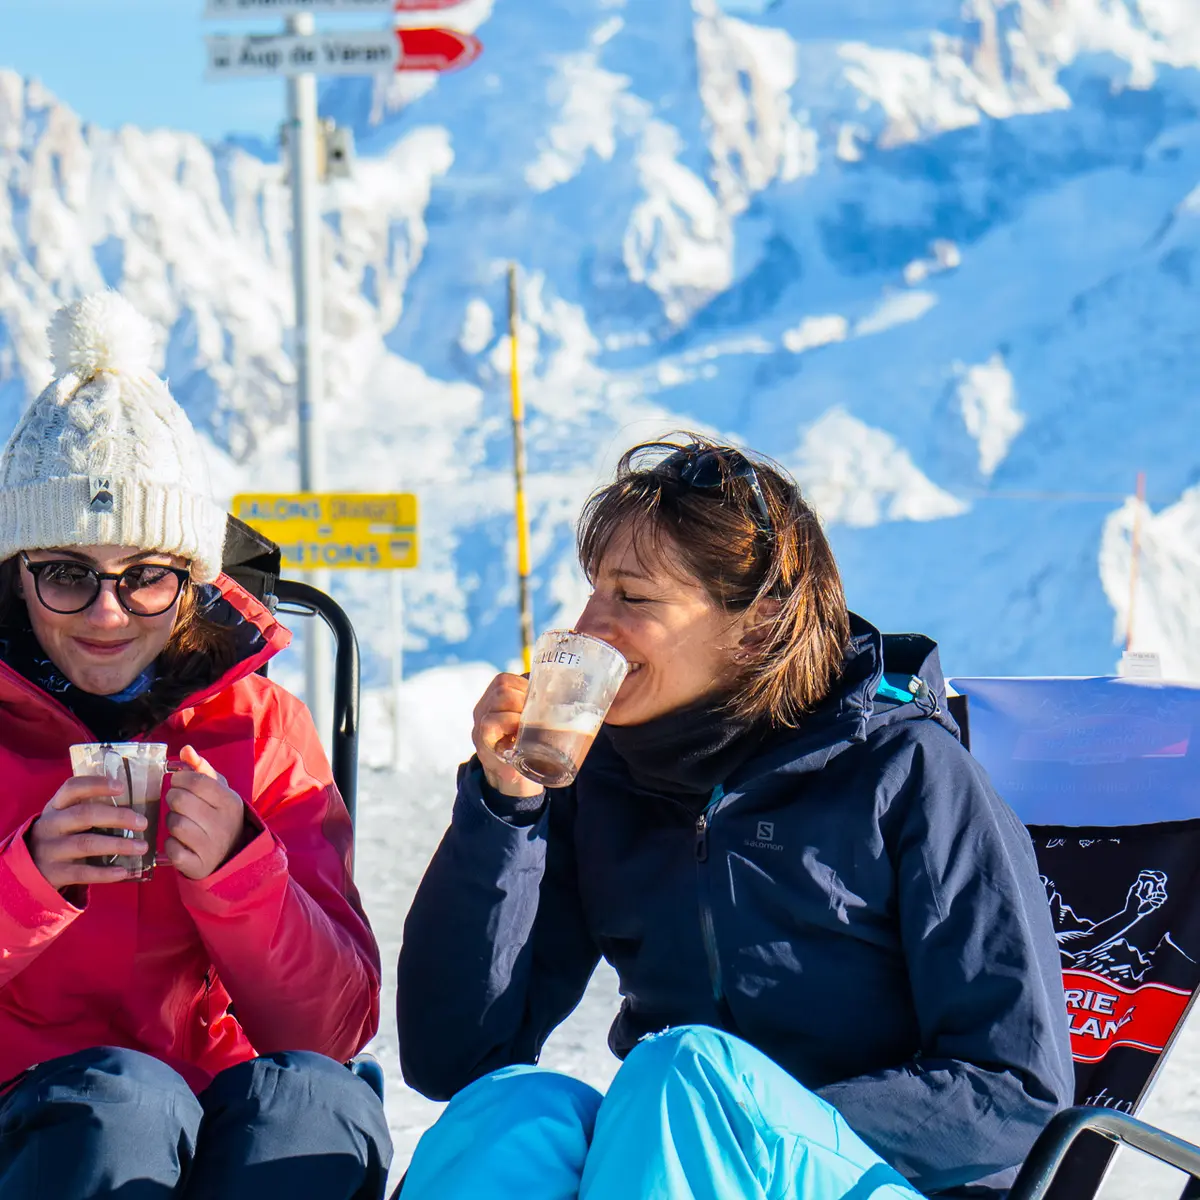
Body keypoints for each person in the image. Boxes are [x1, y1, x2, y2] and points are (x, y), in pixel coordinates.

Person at [396, 437, 1074, 1199]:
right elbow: (454, 1056)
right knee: (517, 1113)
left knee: (685, 1072)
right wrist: (507, 807)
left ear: (756, 626)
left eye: (633, 597)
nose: (590, 626)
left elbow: (1016, 1093)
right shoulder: (608, 780)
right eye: (593, 592)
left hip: (883, 1177)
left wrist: (745, 1121)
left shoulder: (906, 775)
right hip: (676, 1149)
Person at [0, 293, 391, 1199]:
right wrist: (25, 885)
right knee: (125, 1104)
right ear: (18, 575)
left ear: (193, 581)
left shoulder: (257, 730)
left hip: (216, 1111)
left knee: (315, 1103)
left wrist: (238, 875)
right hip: (33, 1118)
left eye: (145, 577)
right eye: (66, 573)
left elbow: (329, 1031)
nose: (106, 612)